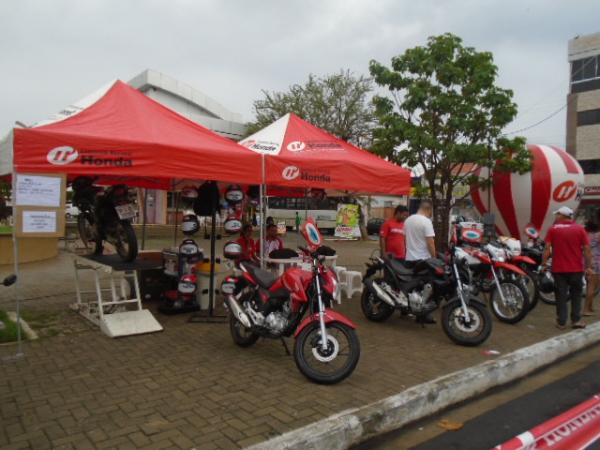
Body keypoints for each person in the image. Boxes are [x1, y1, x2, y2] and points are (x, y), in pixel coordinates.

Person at [541, 206, 593, 330]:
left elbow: (547, 248)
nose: (556, 216)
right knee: (576, 294)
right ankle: (576, 320)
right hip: (576, 269)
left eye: (557, 214)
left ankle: (561, 322)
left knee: (561, 295)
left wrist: (543, 263)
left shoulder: (553, 229)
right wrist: (589, 267)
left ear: (562, 215)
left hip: (559, 269)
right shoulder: (580, 229)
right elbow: (587, 249)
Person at [583, 221, 600, 316]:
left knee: (591, 285)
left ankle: (590, 306)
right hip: (596, 262)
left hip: (588, 261)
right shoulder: (598, 235)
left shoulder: (586, 235)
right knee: (592, 287)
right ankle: (585, 309)